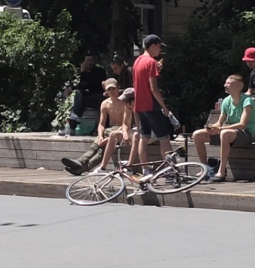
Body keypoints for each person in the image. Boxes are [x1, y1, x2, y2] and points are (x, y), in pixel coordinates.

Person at [192, 73, 255, 182]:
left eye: (228, 83)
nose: (225, 85)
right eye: (225, 83)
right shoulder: (226, 101)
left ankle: (221, 172)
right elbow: (219, 123)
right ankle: (205, 169)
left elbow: (242, 125)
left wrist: (221, 129)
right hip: (229, 134)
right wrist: (213, 127)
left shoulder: (247, 101)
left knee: (224, 133)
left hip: (245, 134)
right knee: (197, 135)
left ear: (238, 86)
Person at [62, 77, 133, 175]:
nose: (112, 91)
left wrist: (109, 138)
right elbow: (101, 124)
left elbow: (126, 125)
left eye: (113, 88)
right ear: (106, 91)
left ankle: (81, 163)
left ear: (118, 88)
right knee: (98, 147)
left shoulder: (125, 103)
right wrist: (100, 136)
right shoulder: (105, 104)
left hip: (121, 131)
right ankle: (80, 167)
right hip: (109, 131)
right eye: (109, 89)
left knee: (101, 149)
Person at [130, 34, 177, 172]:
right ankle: (170, 170)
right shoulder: (151, 62)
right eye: (159, 46)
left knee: (144, 137)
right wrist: (164, 107)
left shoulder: (137, 61)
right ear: (153, 46)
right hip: (151, 105)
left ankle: (145, 169)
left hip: (140, 105)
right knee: (164, 138)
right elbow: (153, 88)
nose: (160, 50)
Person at [70, 54, 105, 137]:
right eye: (87, 60)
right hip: (88, 97)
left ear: (95, 61)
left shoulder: (100, 71)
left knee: (81, 95)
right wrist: (83, 73)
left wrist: (83, 73)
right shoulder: (85, 72)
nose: (89, 63)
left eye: (91, 60)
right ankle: (75, 118)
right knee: (79, 93)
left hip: (97, 97)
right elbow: (82, 85)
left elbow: (89, 84)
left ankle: (75, 120)